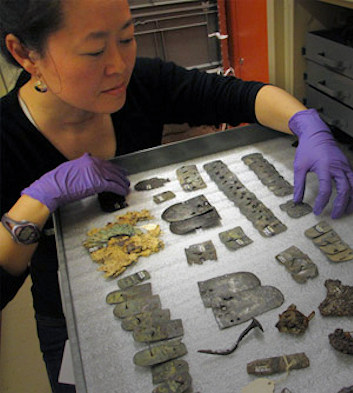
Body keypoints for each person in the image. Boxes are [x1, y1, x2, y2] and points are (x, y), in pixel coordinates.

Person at [0, 0, 352, 391]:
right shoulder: (6, 137)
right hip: (70, 317)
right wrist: (37, 200)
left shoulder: (142, 83)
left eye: (127, 38)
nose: (119, 65)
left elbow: (240, 96)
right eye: (95, 50)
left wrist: (305, 122)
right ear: (25, 53)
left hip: (166, 275)